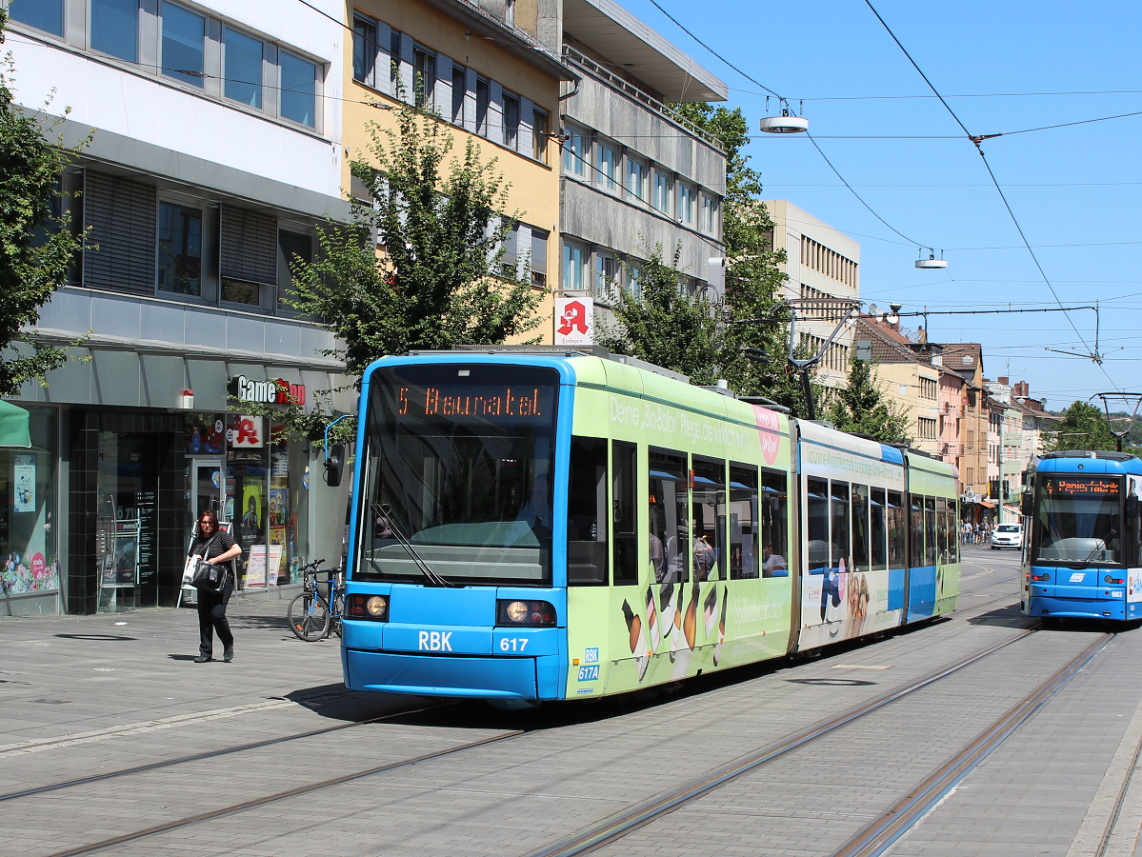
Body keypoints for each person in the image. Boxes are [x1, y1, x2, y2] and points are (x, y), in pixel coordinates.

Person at [188, 510, 243, 663]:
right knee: (204, 616)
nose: (207, 525)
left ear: (215, 524)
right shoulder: (197, 540)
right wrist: (195, 559)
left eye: (210, 522)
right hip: (204, 582)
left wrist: (216, 559)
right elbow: (189, 560)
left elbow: (237, 550)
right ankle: (205, 652)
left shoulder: (221, 536)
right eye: (204, 522)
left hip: (222, 581)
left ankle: (228, 642)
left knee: (217, 614)